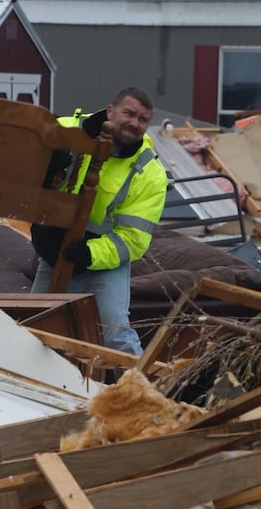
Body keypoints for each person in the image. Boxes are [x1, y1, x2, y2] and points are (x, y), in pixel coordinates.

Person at [30, 87, 168, 355]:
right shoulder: (69, 130)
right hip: (56, 252)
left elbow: (133, 240)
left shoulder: (149, 174)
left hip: (103, 262)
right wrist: (51, 157)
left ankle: (140, 382)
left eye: (143, 119)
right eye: (129, 113)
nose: (135, 123)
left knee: (116, 337)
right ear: (110, 111)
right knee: (34, 328)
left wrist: (89, 254)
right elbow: (28, 141)